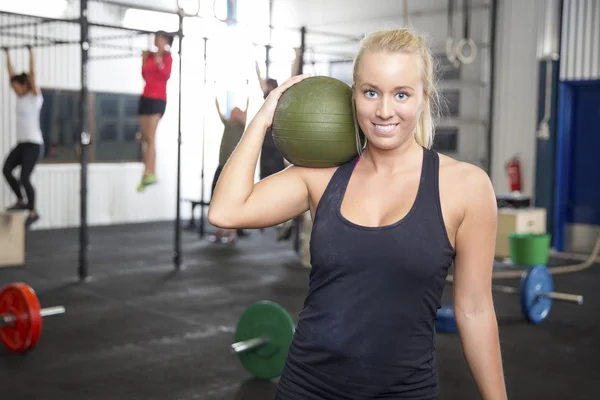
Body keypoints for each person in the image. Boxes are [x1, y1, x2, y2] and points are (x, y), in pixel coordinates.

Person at [209, 28, 506, 399]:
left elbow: (475, 310)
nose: (384, 110)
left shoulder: (466, 187)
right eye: (370, 92)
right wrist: (265, 114)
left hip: (405, 392)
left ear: (424, 98)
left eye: (401, 94)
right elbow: (225, 210)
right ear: (353, 96)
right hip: (308, 387)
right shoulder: (322, 174)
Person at [2, 46, 44, 227]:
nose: (15, 91)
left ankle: (33, 212)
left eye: (17, 87)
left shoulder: (35, 97)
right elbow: (10, 72)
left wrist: (31, 53)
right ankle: (20, 200)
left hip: (34, 144)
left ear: (25, 85)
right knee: (6, 169)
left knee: (25, 177)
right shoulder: (20, 98)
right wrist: (7, 55)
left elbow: (33, 74)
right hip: (22, 144)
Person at [137, 30, 174, 192]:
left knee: (151, 137)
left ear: (165, 40)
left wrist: (159, 60)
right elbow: (145, 75)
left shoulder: (167, 57)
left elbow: (166, 75)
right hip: (146, 96)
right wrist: (144, 59)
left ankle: (149, 173)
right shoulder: (149, 55)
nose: (157, 41)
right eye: (156, 38)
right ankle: (148, 172)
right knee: (146, 138)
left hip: (158, 99)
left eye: (159, 38)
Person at [209, 96, 249, 244]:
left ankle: (231, 233)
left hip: (233, 171)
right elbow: (220, 112)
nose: (231, 114)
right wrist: (216, 101)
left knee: (231, 199)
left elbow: (246, 111)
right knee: (217, 198)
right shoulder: (227, 124)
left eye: (234, 111)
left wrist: (247, 97)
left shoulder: (240, 126)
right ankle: (220, 232)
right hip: (221, 167)